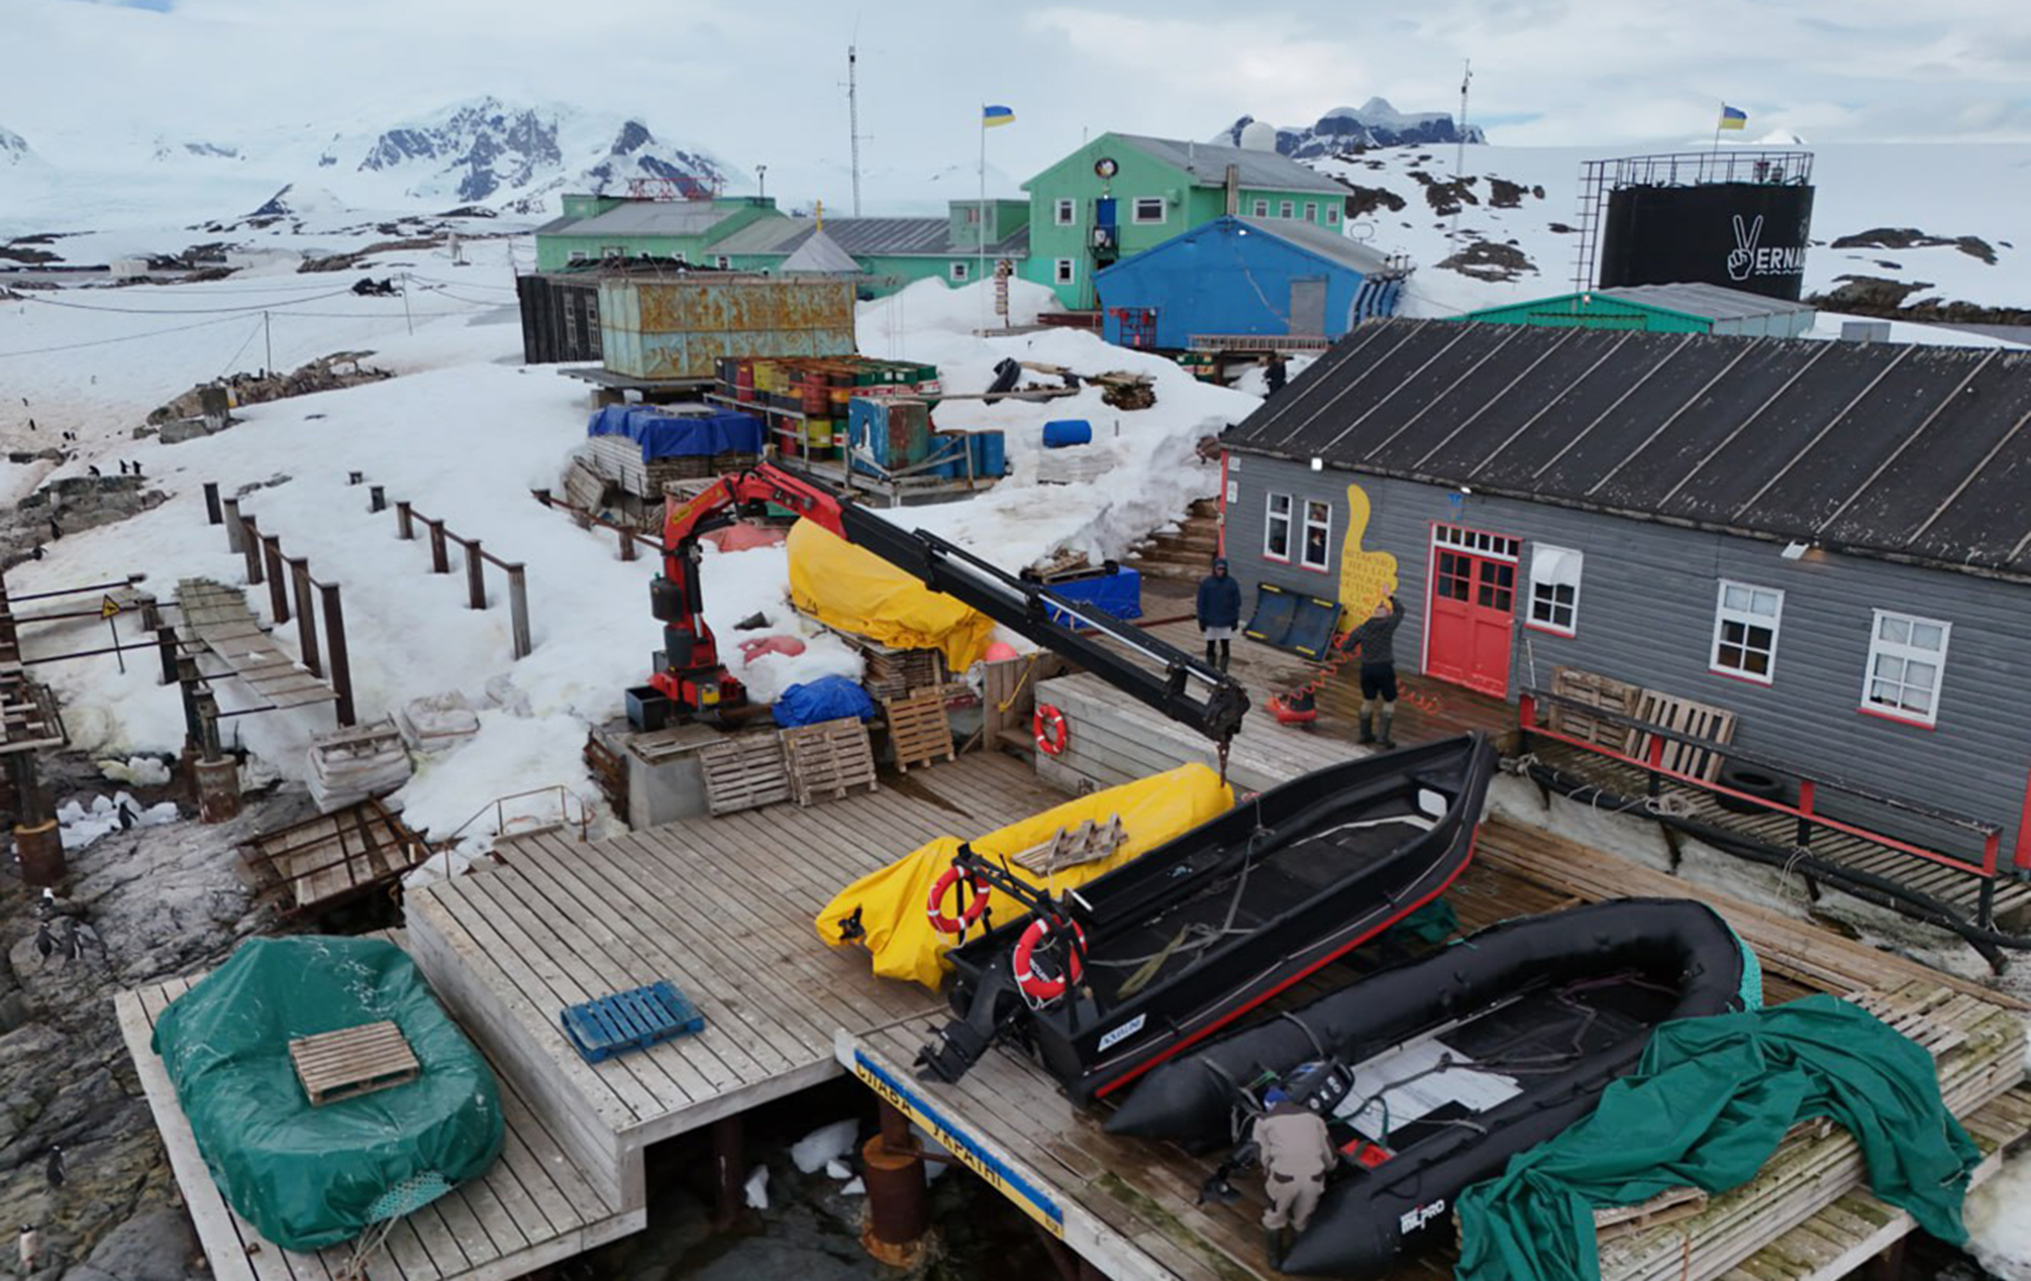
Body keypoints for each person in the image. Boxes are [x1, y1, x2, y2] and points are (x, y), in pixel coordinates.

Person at [1255, 1087, 1337, 1265]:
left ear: (1269, 1106)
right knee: (1303, 1219)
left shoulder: (1263, 1121)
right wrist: (1330, 1168)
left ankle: (1274, 1259)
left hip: (1284, 1178)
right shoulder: (1314, 1118)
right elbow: (1329, 1154)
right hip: (1314, 1178)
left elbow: (1263, 1154)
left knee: (1274, 1217)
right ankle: (1296, 1257)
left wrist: (1268, 1170)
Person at [1341, 595, 1405, 748]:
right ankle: (1383, 737)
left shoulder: (1361, 629)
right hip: (1384, 668)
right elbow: (1401, 611)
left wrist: (1358, 647)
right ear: (1386, 615)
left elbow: (1345, 648)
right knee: (1390, 700)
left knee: (1368, 700)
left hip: (1367, 669)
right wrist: (1390, 596)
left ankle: (1364, 735)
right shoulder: (1388, 625)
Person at [1195, 557, 1241, 671]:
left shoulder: (1232, 583)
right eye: (1218, 569)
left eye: (1222, 569)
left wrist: (1235, 620)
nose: (1220, 571)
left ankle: (1223, 670)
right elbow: (1201, 603)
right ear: (1214, 569)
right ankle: (1210, 669)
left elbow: (1237, 603)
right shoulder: (1206, 584)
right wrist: (1201, 619)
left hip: (1225, 621)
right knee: (1210, 645)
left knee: (1225, 645)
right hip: (1210, 621)